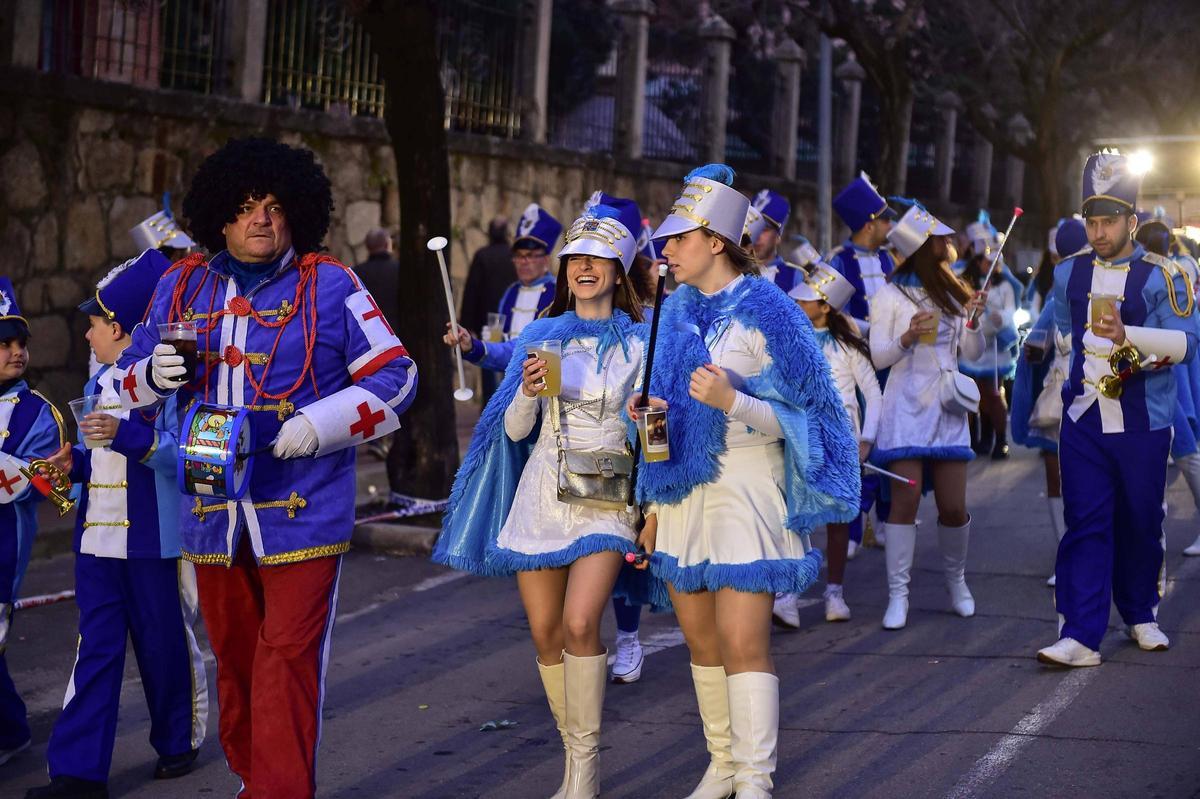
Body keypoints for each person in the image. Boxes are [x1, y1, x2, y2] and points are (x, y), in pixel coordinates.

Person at [115, 137, 418, 798]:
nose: (261, 219)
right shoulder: (181, 282)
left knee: (286, 659)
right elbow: (121, 385)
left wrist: (308, 427)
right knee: (235, 661)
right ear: (219, 216)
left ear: (296, 216)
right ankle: (255, 778)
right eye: (247, 206)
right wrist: (150, 373)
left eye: (276, 206)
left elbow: (397, 378)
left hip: (304, 507)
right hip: (209, 511)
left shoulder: (331, 283)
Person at [632, 163, 860, 798]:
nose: (666, 250)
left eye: (678, 239)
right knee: (701, 643)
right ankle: (723, 765)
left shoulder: (773, 310)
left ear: (714, 241)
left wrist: (736, 401)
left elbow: (812, 415)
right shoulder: (671, 313)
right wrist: (648, 434)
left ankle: (756, 780)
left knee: (741, 641)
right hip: (682, 495)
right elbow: (664, 407)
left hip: (747, 493)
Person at [433, 203, 648, 798]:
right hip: (540, 500)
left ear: (619, 271)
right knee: (546, 632)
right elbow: (513, 431)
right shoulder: (541, 336)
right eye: (575, 259)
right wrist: (527, 393)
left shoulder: (643, 344)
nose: (583, 268)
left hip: (608, 501)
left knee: (582, 621)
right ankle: (574, 757)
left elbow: (659, 433)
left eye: (596, 260)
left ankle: (584, 771)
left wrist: (643, 424)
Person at [27, 251, 208, 799]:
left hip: (154, 541)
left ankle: (178, 741)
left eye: (94, 324)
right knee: (95, 651)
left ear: (122, 329)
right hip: (97, 539)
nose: (86, 335)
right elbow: (98, 459)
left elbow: (191, 460)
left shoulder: (172, 381)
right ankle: (78, 774)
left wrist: (127, 436)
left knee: (164, 647)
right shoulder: (103, 381)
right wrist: (73, 462)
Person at [1038, 151, 1196, 667]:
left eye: (1109, 221)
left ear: (1133, 220)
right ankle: (1081, 634)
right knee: (1084, 520)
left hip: (1145, 421)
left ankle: (1140, 611)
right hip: (1083, 419)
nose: (1099, 231)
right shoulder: (1067, 275)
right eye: (1092, 221)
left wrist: (1131, 339)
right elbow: (1061, 331)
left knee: (1140, 518)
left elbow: (1186, 344)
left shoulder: (1164, 275)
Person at [868, 205, 988, 631]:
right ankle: (898, 596)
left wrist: (973, 321)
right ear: (922, 246)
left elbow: (970, 356)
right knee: (903, 503)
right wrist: (906, 336)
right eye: (939, 238)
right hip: (904, 408)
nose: (949, 244)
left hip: (948, 408)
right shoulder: (888, 295)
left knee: (954, 507)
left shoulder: (955, 290)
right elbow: (880, 355)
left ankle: (957, 583)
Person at [789, 263, 881, 622]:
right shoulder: (791, 345)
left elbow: (873, 394)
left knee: (839, 519)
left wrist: (867, 439)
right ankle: (788, 594)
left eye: (807, 300)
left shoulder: (847, 347)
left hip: (843, 442)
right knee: (797, 517)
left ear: (825, 306)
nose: (799, 304)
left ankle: (835, 593)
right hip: (800, 438)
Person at [0, 277, 66, 767]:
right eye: (4, 345)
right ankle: (11, 728)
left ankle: (9, 733)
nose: (16, 353)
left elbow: (43, 481)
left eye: (20, 343)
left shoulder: (37, 412)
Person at [1010, 219, 1088, 586]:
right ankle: (1067, 552)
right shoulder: (1056, 286)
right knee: (1056, 472)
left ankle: (1090, 551)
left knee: (1087, 475)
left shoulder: (1107, 281)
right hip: (1057, 392)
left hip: (1096, 390)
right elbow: (1039, 337)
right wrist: (1033, 350)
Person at [458, 204, 561, 372]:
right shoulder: (511, 291)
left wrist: (480, 347)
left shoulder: (557, 292)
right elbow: (499, 337)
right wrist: (488, 341)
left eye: (530, 256)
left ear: (546, 260)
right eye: (519, 256)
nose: (523, 262)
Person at [958, 251, 1019, 459]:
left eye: (997, 262)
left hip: (994, 350)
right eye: (988, 261)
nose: (994, 265)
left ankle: (999, 439)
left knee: (993, 394)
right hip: (969, 347)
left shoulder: (1004, 286)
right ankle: (972, 439)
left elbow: (1011, 310)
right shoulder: (966, 283)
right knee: (968, 394)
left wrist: (1000, 316)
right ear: (978, 261)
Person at [829, 173, 898, 331]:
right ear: (869, 227)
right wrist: (871, 332)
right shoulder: (837, 260)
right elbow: (831, 315)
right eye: (885, 221)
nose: (891, 226)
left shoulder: (887, 257)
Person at [460, 217, 515, 404]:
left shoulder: (483, 255)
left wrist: (468, 323)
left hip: (492, 321)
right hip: (514, 316)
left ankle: (491, 405)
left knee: (490, 358)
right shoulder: (514, 255)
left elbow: (472, 291)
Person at [743, 189, 802, 293]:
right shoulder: (732, 269)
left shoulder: (794, 277)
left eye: (764, 229)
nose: (756, 234)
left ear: (778, 237)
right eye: (751, 226)